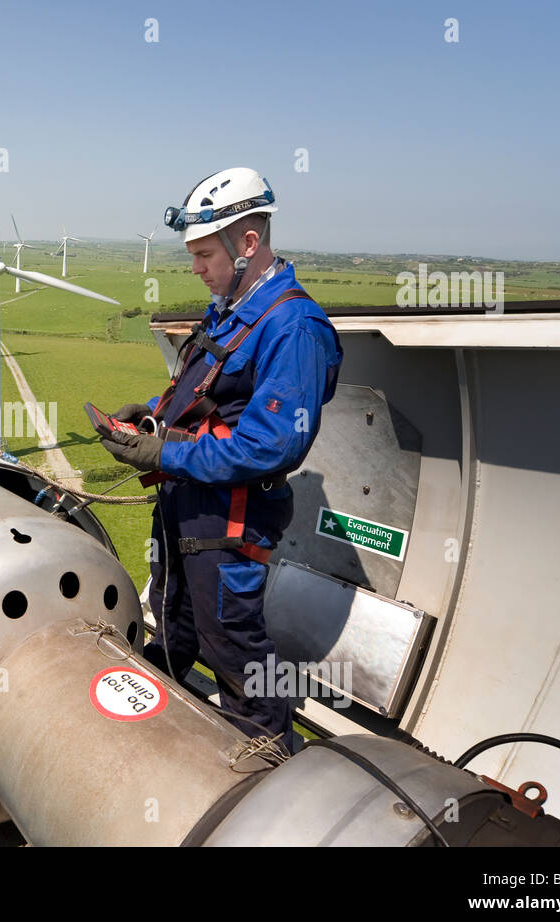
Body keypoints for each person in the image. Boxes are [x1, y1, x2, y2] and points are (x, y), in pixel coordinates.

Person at [100, 168, 342, 744]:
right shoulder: (230, 308)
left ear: (249, 243)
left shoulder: (294, 327)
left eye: (205, 253)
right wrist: (154, 416)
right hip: (189, 500)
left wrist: (165, 452)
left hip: (231, 514)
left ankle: (268, 755)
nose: (196, 268)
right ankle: (173, 725)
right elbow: (205, 388)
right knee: (174, 614)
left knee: (231, 643)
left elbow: (271, 444)